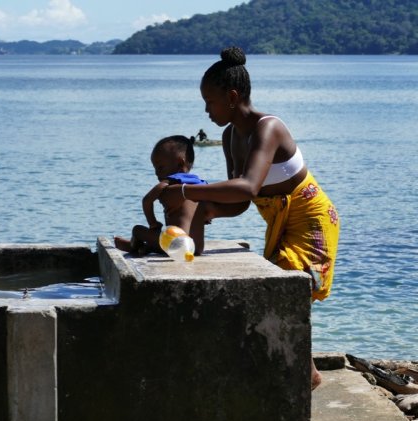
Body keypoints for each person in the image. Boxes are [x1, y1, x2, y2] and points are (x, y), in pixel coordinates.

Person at [160, 46, 340, 390]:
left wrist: (188, 192)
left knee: (283, 292)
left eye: (209, 101)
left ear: (231, 97)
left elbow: (246, 187)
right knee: (282, 297)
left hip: (311, 221)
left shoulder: (267, 128)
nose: (206, 110)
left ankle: (306, 377)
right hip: (280, 222)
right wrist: (206, 208)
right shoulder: (230, 136)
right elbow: (243, 203)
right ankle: (307, 374)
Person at [114, 135, 206, 255]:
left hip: (178, 244)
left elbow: (147, 201)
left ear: (179, 163)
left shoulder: (169, 182)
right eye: (155, 168)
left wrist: (153, 223)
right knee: (165, 239)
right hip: (197, 248)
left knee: (137, 230)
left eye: (160, 167)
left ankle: (133, 245)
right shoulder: (202, 185)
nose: (157, 173)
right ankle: (147, 248)